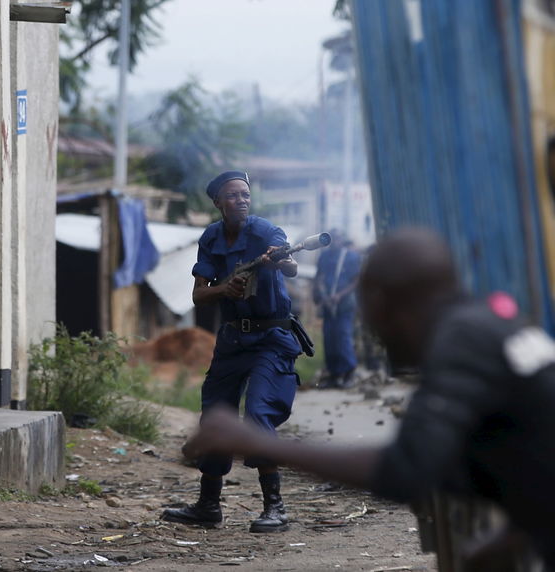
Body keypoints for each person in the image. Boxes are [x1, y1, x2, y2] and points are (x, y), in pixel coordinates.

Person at [184, 227, 555, 568]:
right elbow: (531, 455)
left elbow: (406, 471)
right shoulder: (488, 327)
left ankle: (272, 503)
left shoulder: (462, 343)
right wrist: (512, 540)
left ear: (381, 302)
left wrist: (253, 440)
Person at [161, 171, 304, 533]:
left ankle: (276, 507)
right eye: (233, 196)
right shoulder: (211, 237)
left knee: (258, 414)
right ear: (218, 203)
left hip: (271, 339)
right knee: (215, 418)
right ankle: (208, 506)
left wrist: (279, 261)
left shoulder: (266, 231)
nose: (242, 200)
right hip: (232, 342)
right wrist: (226, 288)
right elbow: (199, 294)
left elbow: (292, 265)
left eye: (246, 194)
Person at [312, 229, 361, 388]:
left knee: (342, 336)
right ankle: (334, 374)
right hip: (328, 304)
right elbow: (318, 277)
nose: (334, 242)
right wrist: (320, 294)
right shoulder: (324, 256)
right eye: (331, 239)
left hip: (344, 304)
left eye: (337, 239)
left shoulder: (351, 257)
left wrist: (340, 295)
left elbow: (356, 281)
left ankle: (349, 372)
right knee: (329, 339)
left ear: (342, 239)